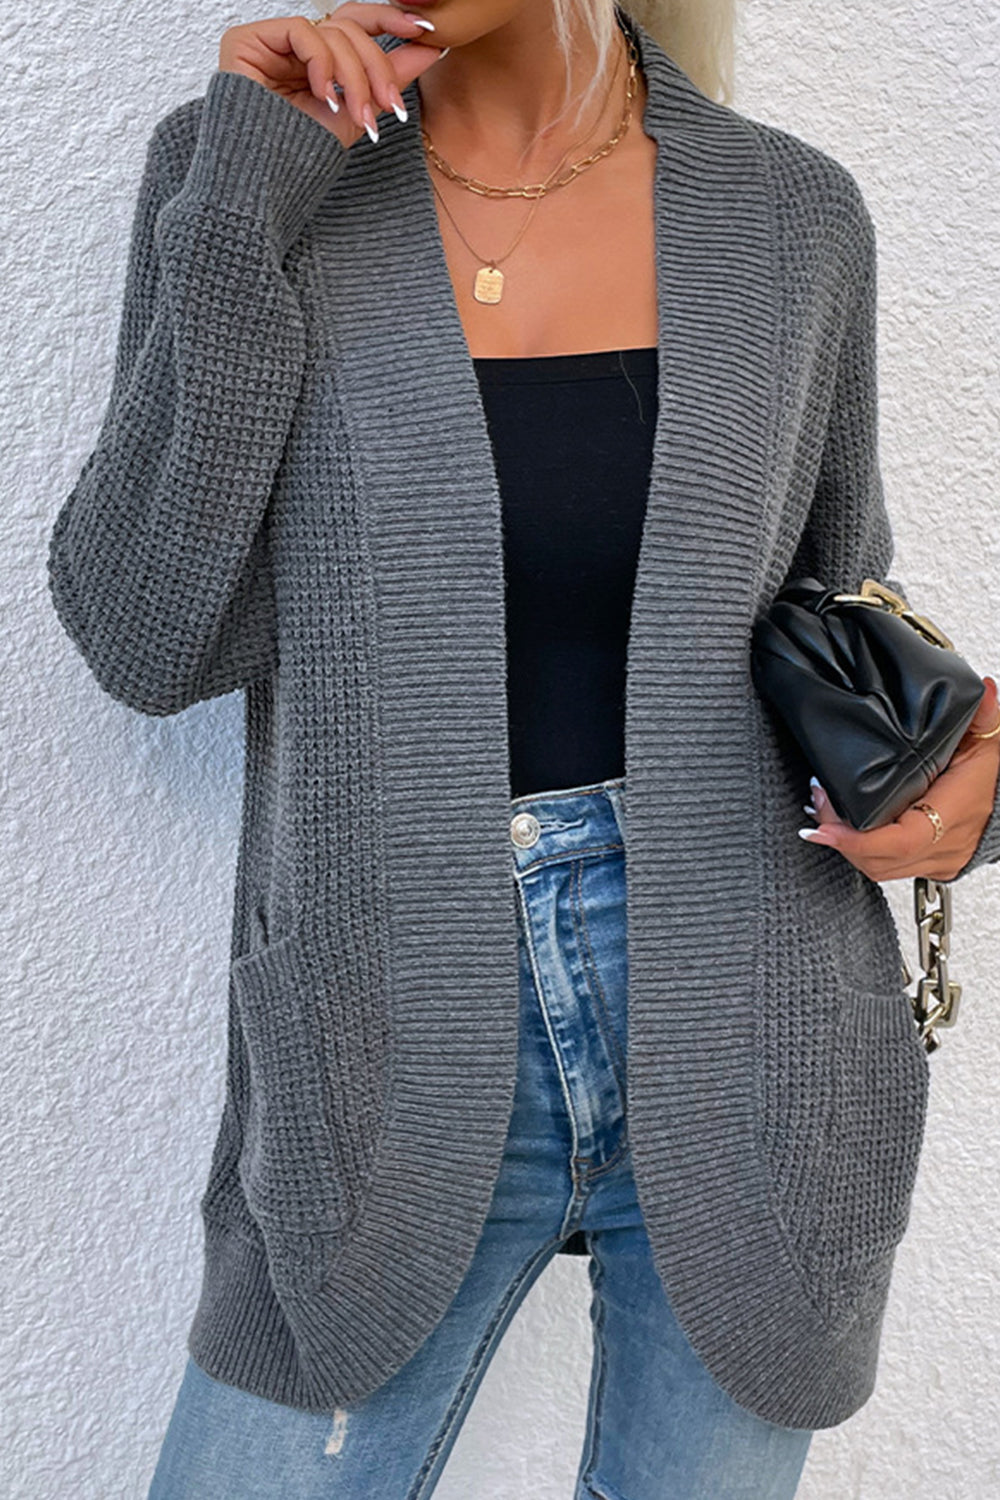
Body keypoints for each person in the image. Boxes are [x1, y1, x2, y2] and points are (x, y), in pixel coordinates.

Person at [45, 1, 1000, 1496]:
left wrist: (967, 792)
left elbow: (837, 603)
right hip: (381, 1032)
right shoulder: (248, 177)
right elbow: (148, 639)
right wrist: (239, 213)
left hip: (759, 1032)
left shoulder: (790, 217)